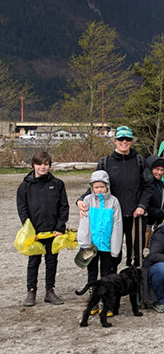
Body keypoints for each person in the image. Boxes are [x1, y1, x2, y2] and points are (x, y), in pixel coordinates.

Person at [77, 125, 149, 269]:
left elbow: (149, 185)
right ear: (115, 141)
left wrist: (142, 205)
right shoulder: (105, 162)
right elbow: (95, 186)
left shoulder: (140, 161)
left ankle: (134, 286)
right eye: (121, 138)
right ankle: (110, 283)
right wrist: (80, 199)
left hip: (134, 215)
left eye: (128, 139)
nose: (124, 142)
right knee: (111, 252)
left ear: (132, 141)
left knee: (135, 253)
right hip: (112, 215)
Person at [17, 151, 69, 306]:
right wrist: (29, 231)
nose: (42, 167)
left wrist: (60, 226)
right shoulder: (25, 186)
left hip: (53, 231)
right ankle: (31, 291)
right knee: (33, 261)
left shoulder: (58, 184)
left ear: (49, 165)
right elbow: (22, 210)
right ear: (33, 165)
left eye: (46, 164)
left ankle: (50, 291)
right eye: (39, 164)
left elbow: (64, 207)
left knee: (52, 261)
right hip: (35, 233)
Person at [77, 170, 123, 291]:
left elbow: (117, 225)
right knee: (92, 272)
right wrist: (84, 243)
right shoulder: (87, 200)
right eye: (96, 187)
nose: (99, 190)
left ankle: (105, 296)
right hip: (91, 245)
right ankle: (93, 295)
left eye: (102, 187)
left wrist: (115, 248)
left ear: (107, 186)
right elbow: (84, 223)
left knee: (106, 273)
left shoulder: (114, 202)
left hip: (107, 244)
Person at [144, 157, 164, 229]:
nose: (159, 173)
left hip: (159, 223)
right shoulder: (144, 185)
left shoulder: (160, 184)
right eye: (157, 169)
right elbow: (145, 207)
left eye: (162, 170)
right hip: (147, 224)